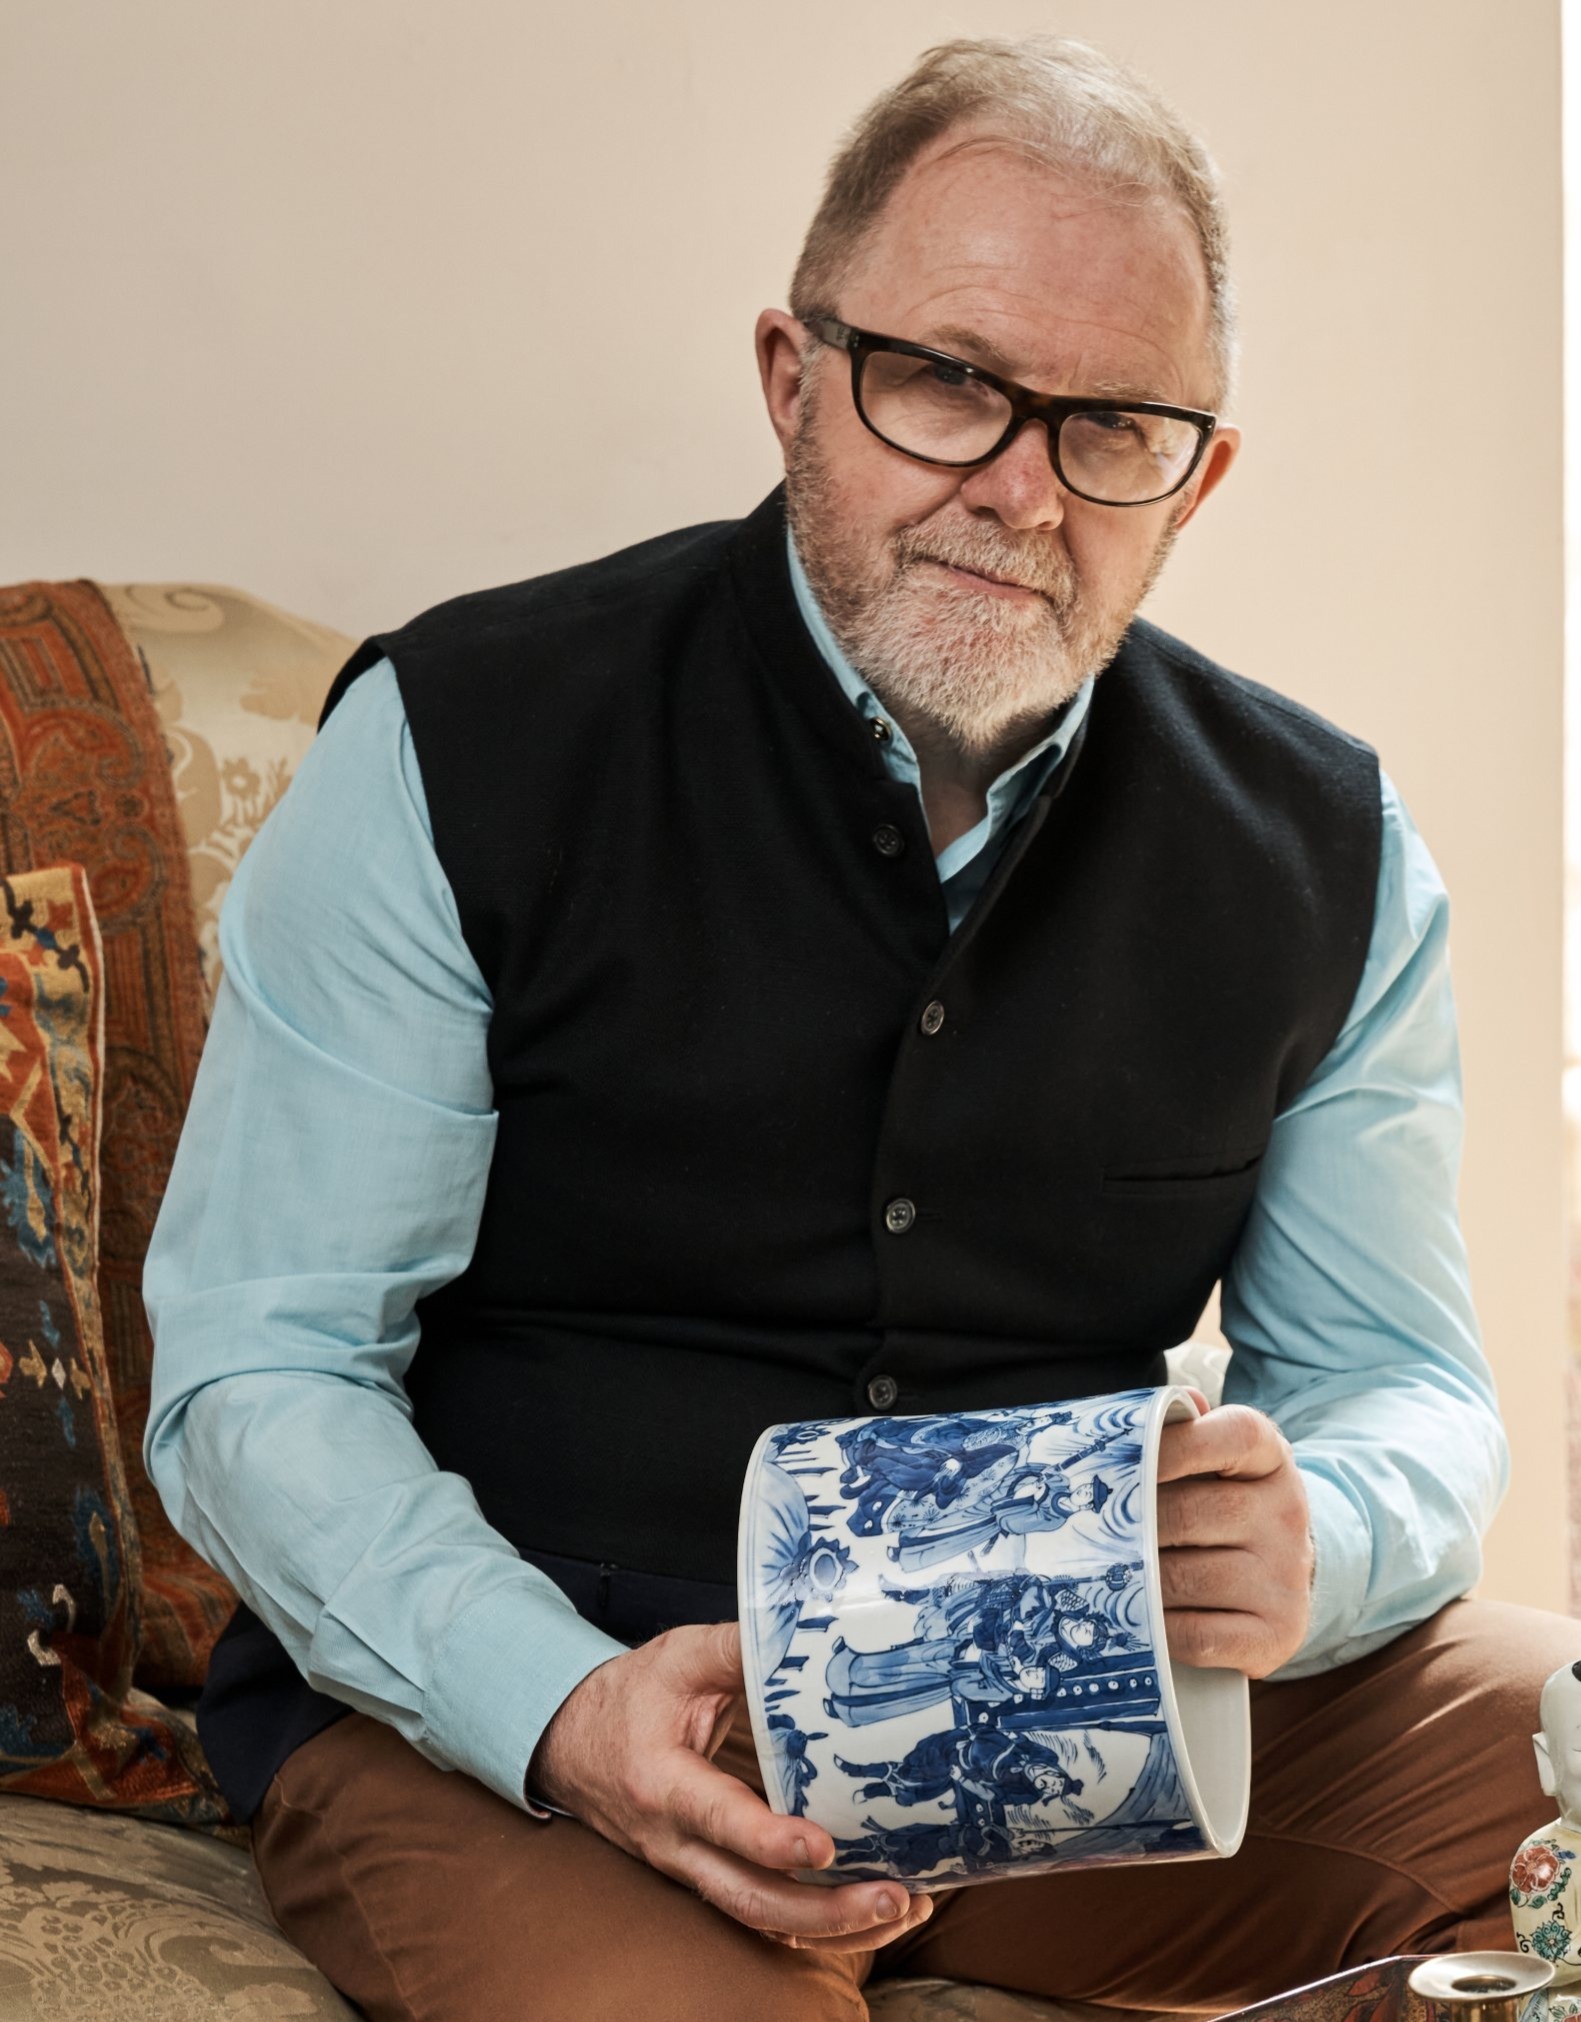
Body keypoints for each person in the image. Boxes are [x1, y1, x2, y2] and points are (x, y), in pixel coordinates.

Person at [142, 31, 1580, 2022]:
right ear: (791, 375)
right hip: (526, 1733)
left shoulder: (1327, 850)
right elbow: (260, 1368)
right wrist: (559, 1711)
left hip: (1085, 1744)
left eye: (1113, 425)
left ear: (1197, 476)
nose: (1019, 488)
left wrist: (1316, 1539)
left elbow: (1402, 1384)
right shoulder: (451, 746)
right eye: (946, 382)